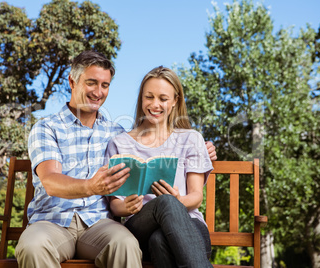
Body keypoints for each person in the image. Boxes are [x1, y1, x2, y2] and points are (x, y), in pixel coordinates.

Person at [15, 51, 216, 268]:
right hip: (51, 221)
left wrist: (204, 149)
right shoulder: (47, 128)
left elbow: (157, 142)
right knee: (33, 246)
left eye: (105, 85)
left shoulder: (114, 132)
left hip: (98, 225)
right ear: (72, 81)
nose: (98, 92)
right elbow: (51, 180)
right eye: (91, 83)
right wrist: (91, 186)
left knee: (128, 243)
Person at [105, 66, 214, 268]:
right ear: (141, 99)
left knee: (160, 239)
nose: (155, 104)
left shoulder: (191, 138)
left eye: (163, 99)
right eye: (149, 97)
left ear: (175, 101)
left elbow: (197, 196)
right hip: (140, 227)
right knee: (165, 203)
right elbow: (114, 204)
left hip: (190, 228)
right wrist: (127, 206)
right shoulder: (119, 144)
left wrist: (179, 200)